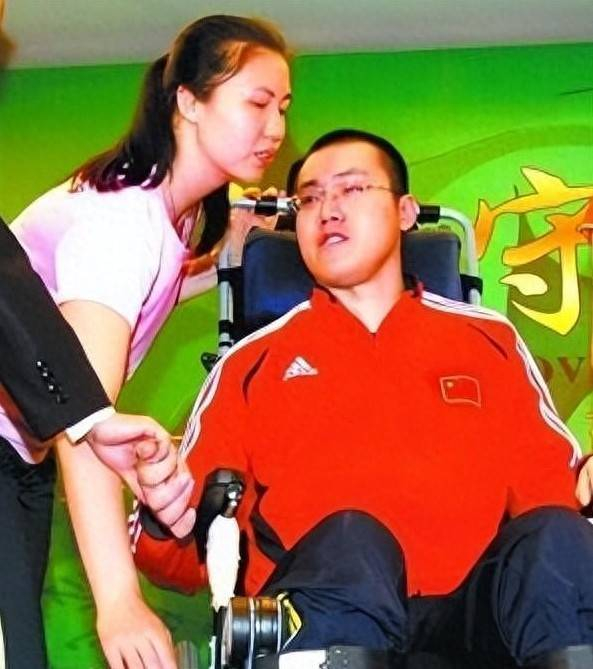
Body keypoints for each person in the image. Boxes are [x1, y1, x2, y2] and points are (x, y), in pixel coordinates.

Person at [134, 129, 593, 669]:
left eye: (352, 189)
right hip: (325, 615)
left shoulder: (489, 342)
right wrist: (165, 514)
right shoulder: (252, 364)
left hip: (473, 627)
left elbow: (552, 502)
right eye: (309, 199)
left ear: (405, 212)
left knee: (557, 538)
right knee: (352, 541)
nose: (328, 210)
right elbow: (183, 558)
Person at [6, 14, 291, 669]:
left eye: (282, 106)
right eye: (256, 102)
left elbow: (146, 292)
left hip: (21, 457)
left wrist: (227, 255)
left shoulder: (168, 216)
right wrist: (119, 601)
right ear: (188, 102)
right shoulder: (123, 225)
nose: (275, 126)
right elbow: (83, 420)